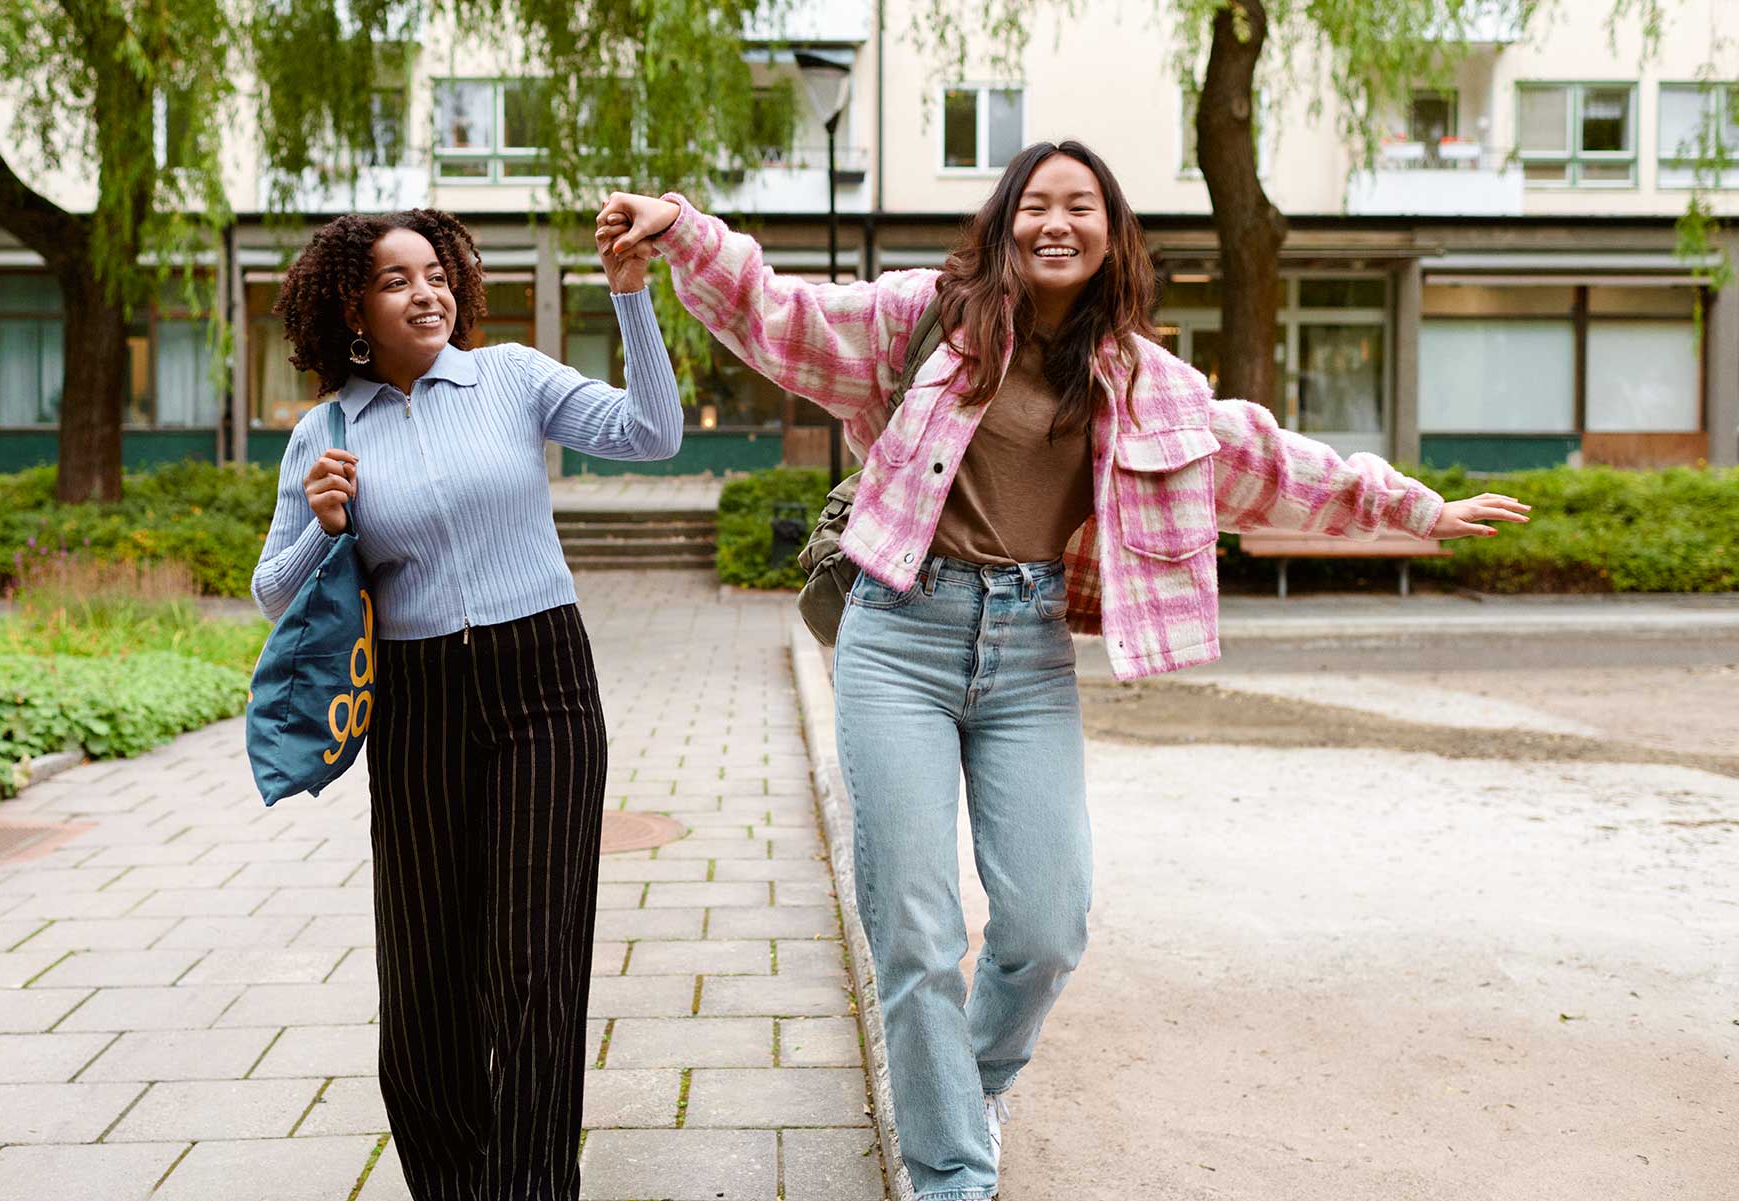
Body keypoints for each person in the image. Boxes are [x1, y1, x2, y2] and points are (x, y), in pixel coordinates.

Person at [597, 142, 1527, 1200]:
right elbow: (781, 313)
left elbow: (1265, 460)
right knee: (914, 925)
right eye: (1033, 203)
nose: (1055, 221)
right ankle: (948, 1169)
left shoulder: (1142, 383)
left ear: (1109, 234)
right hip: (899, 634)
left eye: (1079, 205)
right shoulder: (921, 323)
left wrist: (1412, 507)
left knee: (1045, 926)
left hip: (1029, 651)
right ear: (1001, 225)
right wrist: (681, 225)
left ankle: (972, 1082)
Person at [252, 207, 682, 1199]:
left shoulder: (512, 379)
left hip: (542, 687)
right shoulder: (324, 433)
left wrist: (629, 299)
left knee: (535, 964)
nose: (427, 290)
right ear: (352, 309)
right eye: (397, 278)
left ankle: (530, 1187)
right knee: (423, 983)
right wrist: (320, 525)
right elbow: (271, 591)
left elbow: (650, 432)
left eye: (437, 271)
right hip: (417, 702)